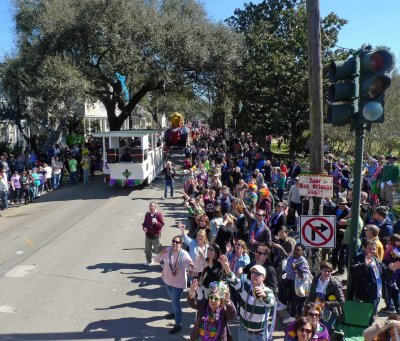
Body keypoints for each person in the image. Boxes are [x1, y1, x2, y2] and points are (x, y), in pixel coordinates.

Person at [219, 255, 276, 340]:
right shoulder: (246, 285)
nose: (254, 275)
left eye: (258, 274)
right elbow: (234, 280)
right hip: (243, 330)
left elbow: (271, 303)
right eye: (253, 272)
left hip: (258, 334)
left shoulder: (267, 291)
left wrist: (264, 295)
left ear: (263, 277)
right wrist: (227, 268)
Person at [349, 239, 400, 317]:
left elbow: (385, 274)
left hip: (376, 293)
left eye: (374, 249)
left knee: (372, 317)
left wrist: (391, 269)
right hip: (365, 295)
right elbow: (353, 271)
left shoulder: (376, 259)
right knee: (365, 318)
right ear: (364, 248)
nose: (372, 251)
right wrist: (365, 265)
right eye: (369, 248)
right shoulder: (359, 258)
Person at [155, 235, 194, 334]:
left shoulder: (184, 254)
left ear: (181, 244)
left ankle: (178, 325)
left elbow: (191, 266)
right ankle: (173, 313)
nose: (174, 244)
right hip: (167, 280)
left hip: (179, 283)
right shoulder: (167, 250)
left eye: (177, 242)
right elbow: (157, 260)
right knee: (172, 299)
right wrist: (161, 253)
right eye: (173, 241)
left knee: (175, 302)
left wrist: (191, 266)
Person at [306, 262, 345, 329]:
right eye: (325, 270)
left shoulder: (335, 283)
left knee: (324, 331)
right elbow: (311, 295)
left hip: (329, 312)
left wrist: (326, 304)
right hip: (316, 311)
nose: (327, 273)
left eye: (329, 271)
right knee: (314, 330)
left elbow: (342, 301)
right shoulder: (315, 279)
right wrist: (308, 305)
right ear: (321, 270)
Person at [284, 243, 312, 322]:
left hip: (300, 285)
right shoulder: (291, 258)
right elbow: (287, 268)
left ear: (302, 252)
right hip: (290, 282)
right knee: (292, 301)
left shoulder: (302, 261)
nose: (296, 251)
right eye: (295, 249)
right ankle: (292, 317)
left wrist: (296, 269)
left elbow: (305, 276)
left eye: (298, 250)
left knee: (300, 304)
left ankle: (301, 320)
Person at [273, 225, 296, 311]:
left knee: (284, 285)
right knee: (279, 284)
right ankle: (280, 300)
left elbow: (288, 256)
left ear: (286, 233)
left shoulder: (289, 242)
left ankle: (284, 303)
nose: (280, 234)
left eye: (282, 232)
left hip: (286, 267)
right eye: (279, 232)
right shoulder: (279, 240)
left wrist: (280, 248)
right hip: (279, 265)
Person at [142, 202, 164, 266]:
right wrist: (144, 228)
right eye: (150, 206)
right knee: (147, 250)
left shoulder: (158, 214)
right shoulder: (147, 214)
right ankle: (149, 261)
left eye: (152, 206)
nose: (150, 207)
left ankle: (162, 263)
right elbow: (144, 223)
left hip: (156, 236)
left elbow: (162, 224)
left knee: (158, 251)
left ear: (155, 207)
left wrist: (156, 223)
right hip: (148, 235)